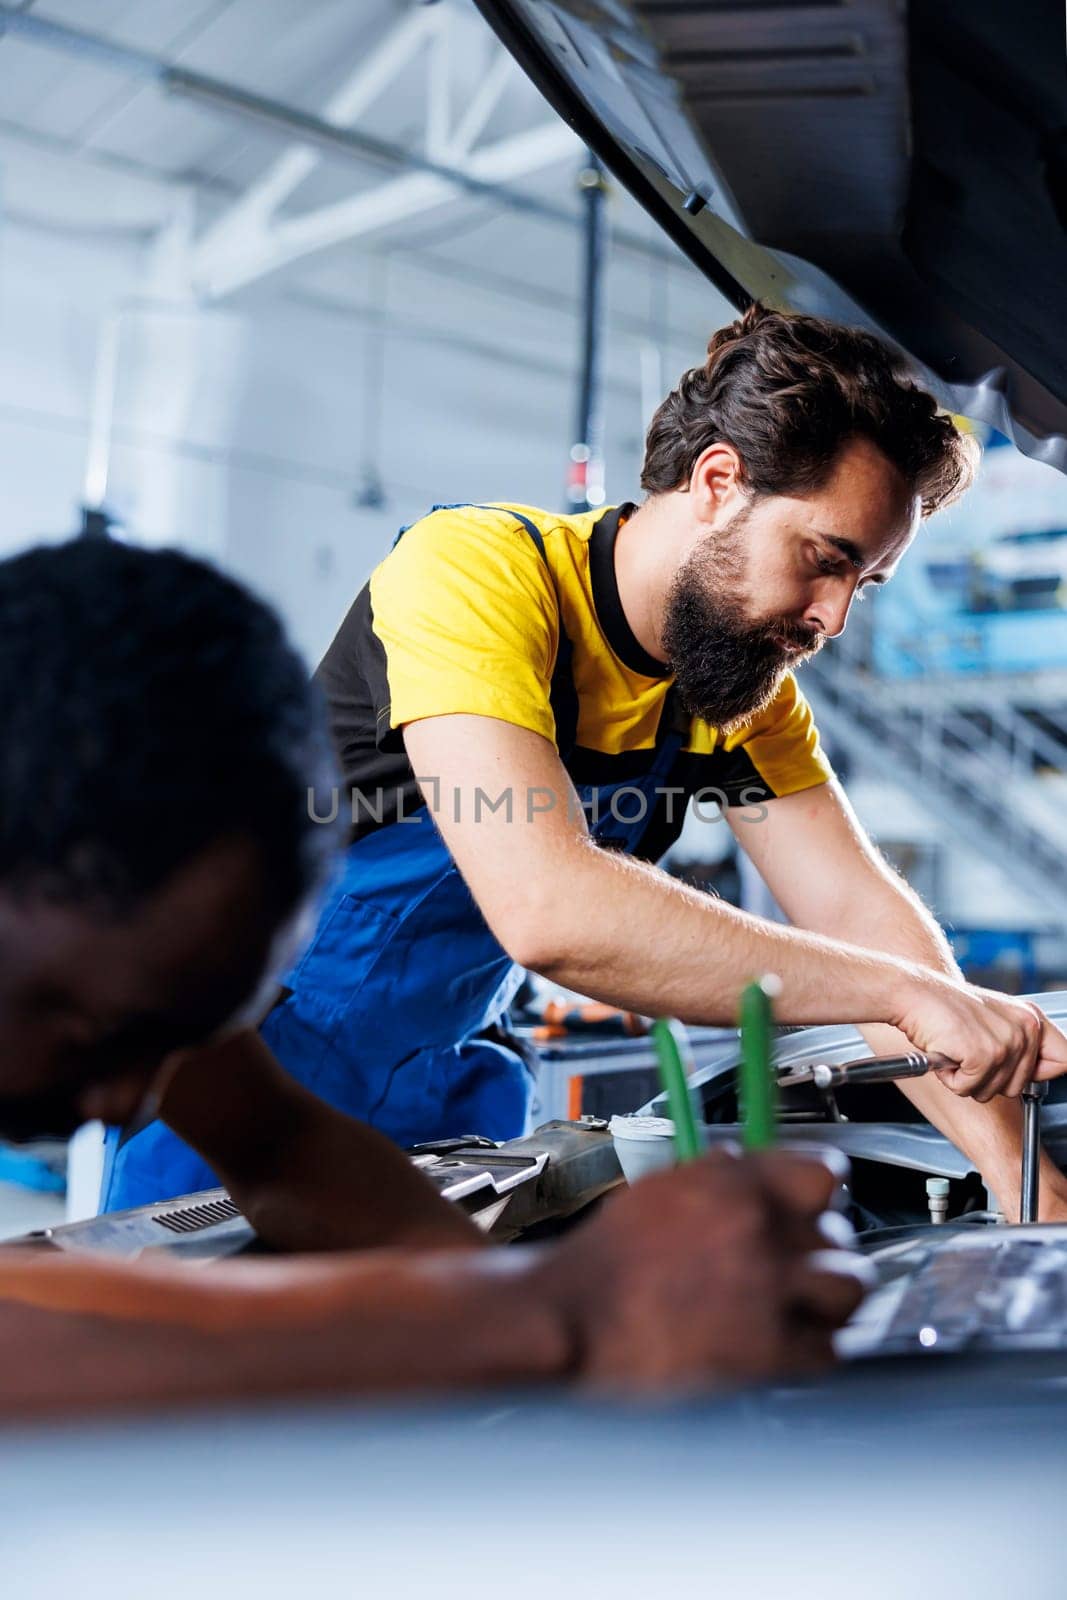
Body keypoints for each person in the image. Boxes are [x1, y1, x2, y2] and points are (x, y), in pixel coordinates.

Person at [106, 302, 1067, 1222]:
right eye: (824, 556)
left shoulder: (732, 695)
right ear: (720, 480)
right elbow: (548, 908)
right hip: (242, 1087)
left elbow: (863, 917)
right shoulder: (479, 572)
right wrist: (908, 996)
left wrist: (1027, 1187)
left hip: (452, 1097)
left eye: (865, 581)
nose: (832, 617)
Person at [0, 535, 862, 1417]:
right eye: (90, 1029)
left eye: (173, 1039)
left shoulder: (143, 980)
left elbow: (288, 1154)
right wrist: (550, 1311)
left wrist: (556, 1309)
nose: (123, 1101)